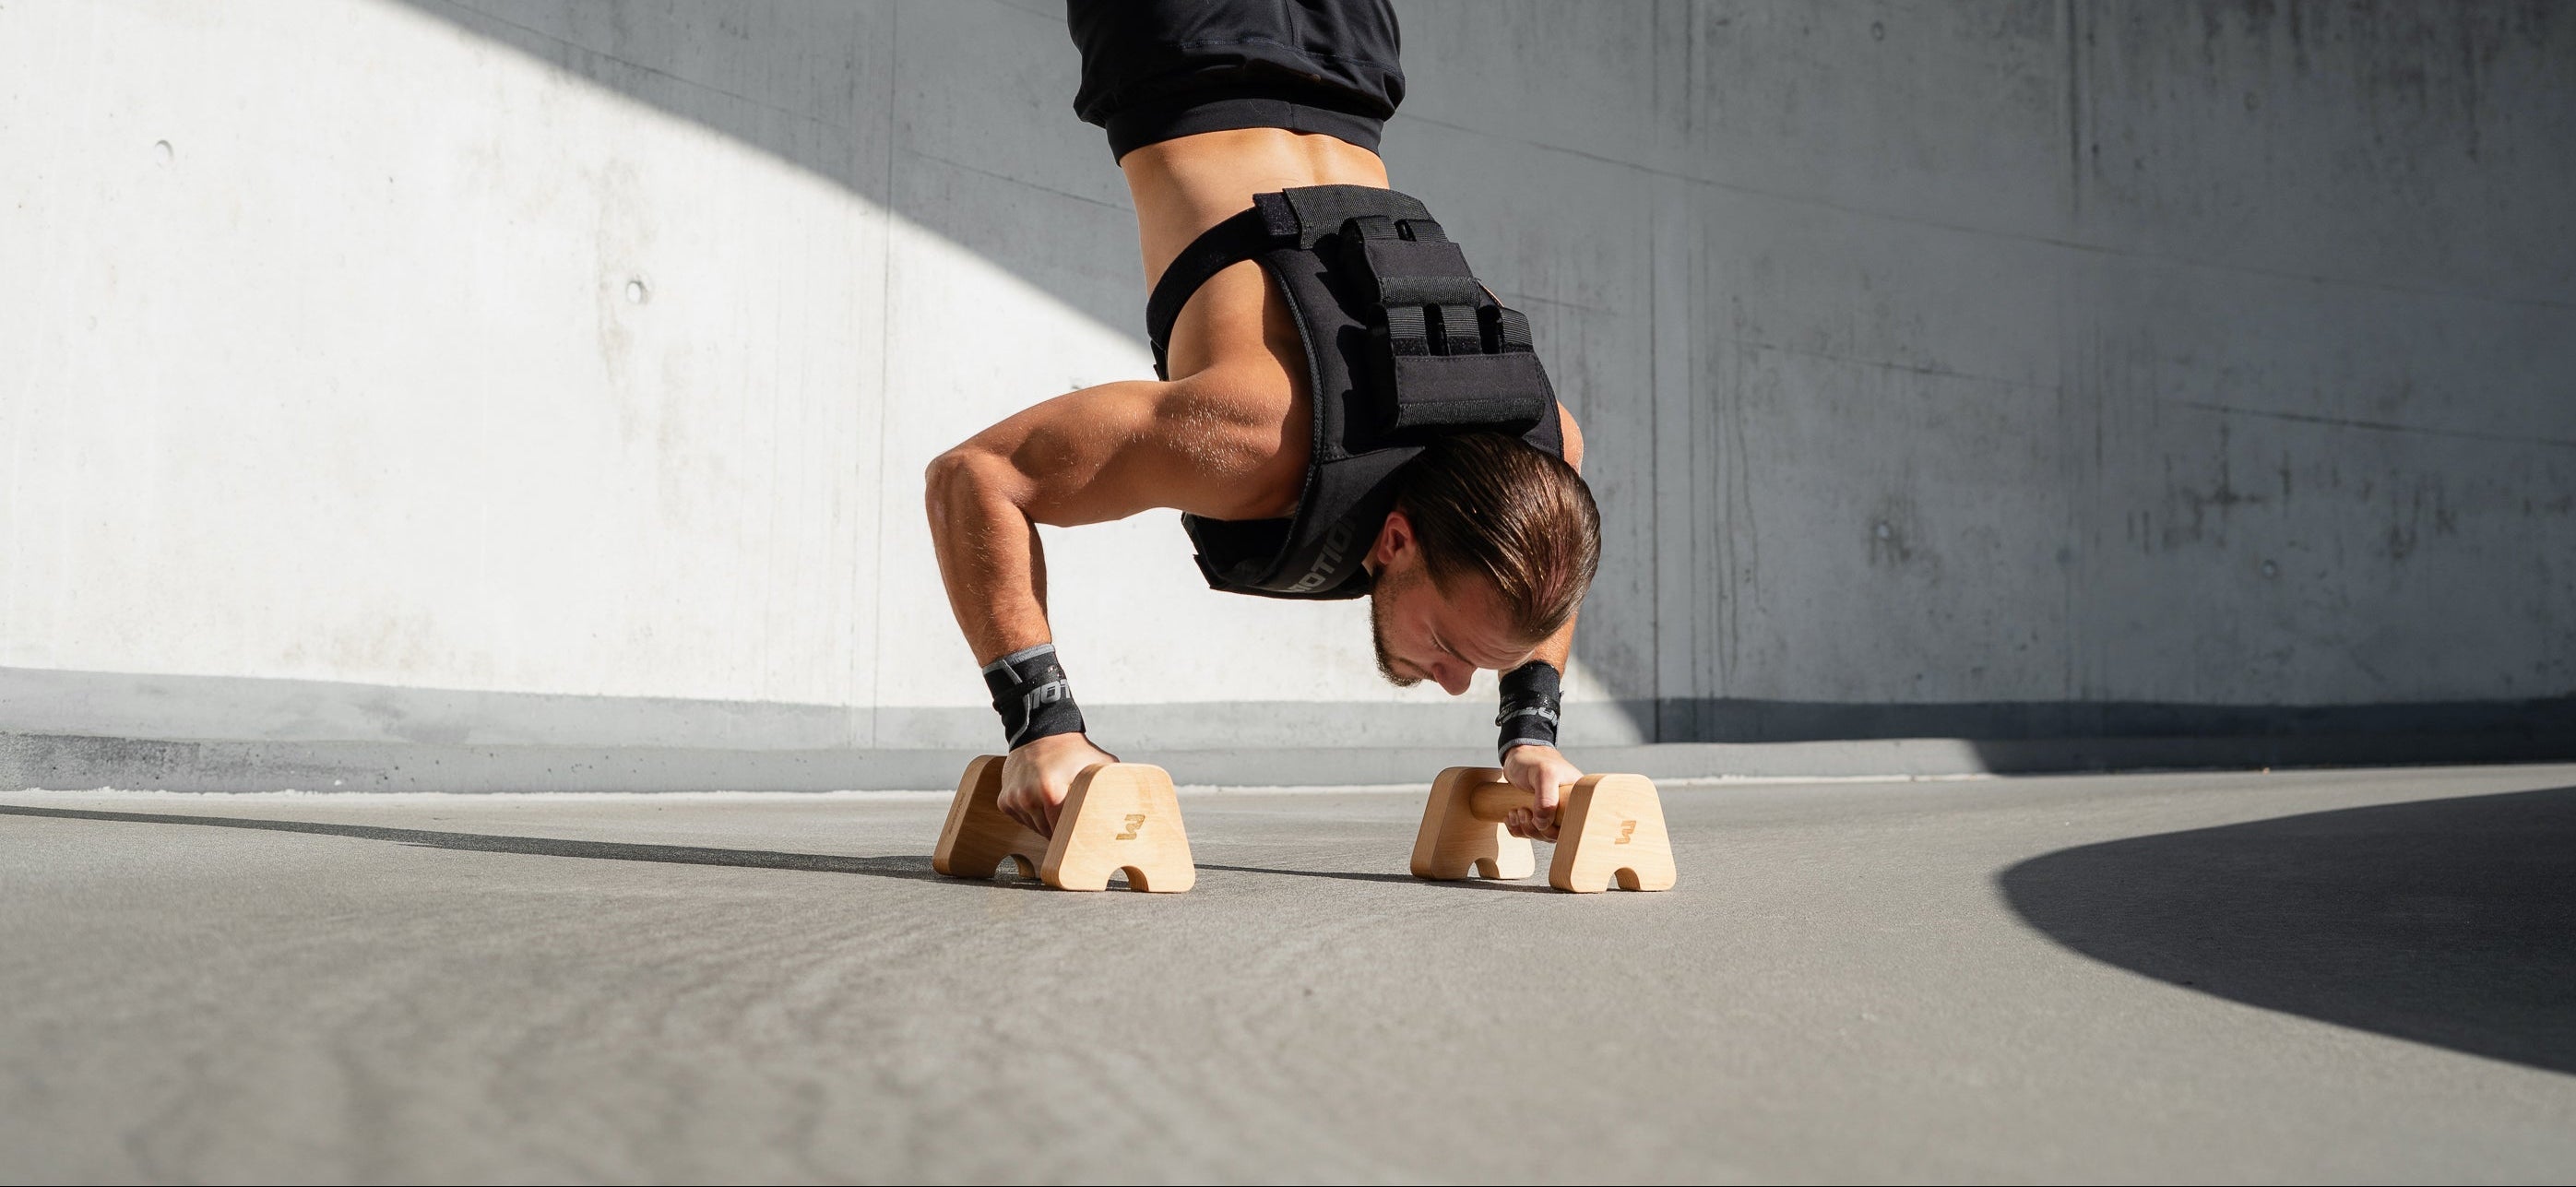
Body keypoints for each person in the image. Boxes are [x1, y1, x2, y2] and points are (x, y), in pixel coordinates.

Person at [925, 0, 1601, 846]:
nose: (1456, 682)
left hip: (1352, 67)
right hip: (1188, 41)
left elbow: (1553, 541)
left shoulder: (1544, 437)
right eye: (1451, 644)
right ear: (1394, 539)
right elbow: (975, 474)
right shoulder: (1256, 438)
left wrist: (1530, 732)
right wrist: (1042, 724)